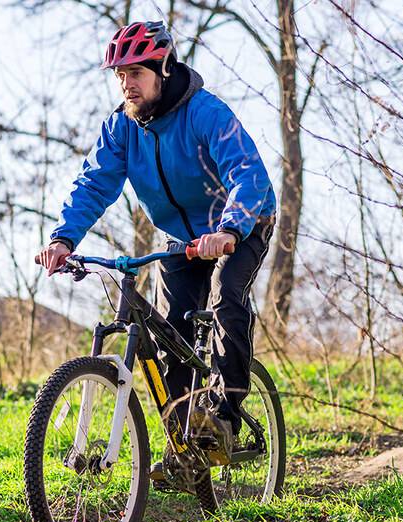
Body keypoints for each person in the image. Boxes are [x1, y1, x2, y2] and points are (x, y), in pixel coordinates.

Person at [36, 21, 276, 480]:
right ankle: (184, 444)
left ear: (163, 69)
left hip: (242, 223)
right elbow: (93, 184)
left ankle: (223, 417)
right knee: (172, 335)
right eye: (119, 75)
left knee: (227, 296)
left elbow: (248, 172)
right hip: (183, 242)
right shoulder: (121, 127)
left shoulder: (206, 113)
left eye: (135, 73)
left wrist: (228, 229)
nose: (126, 83)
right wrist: (64, 239)